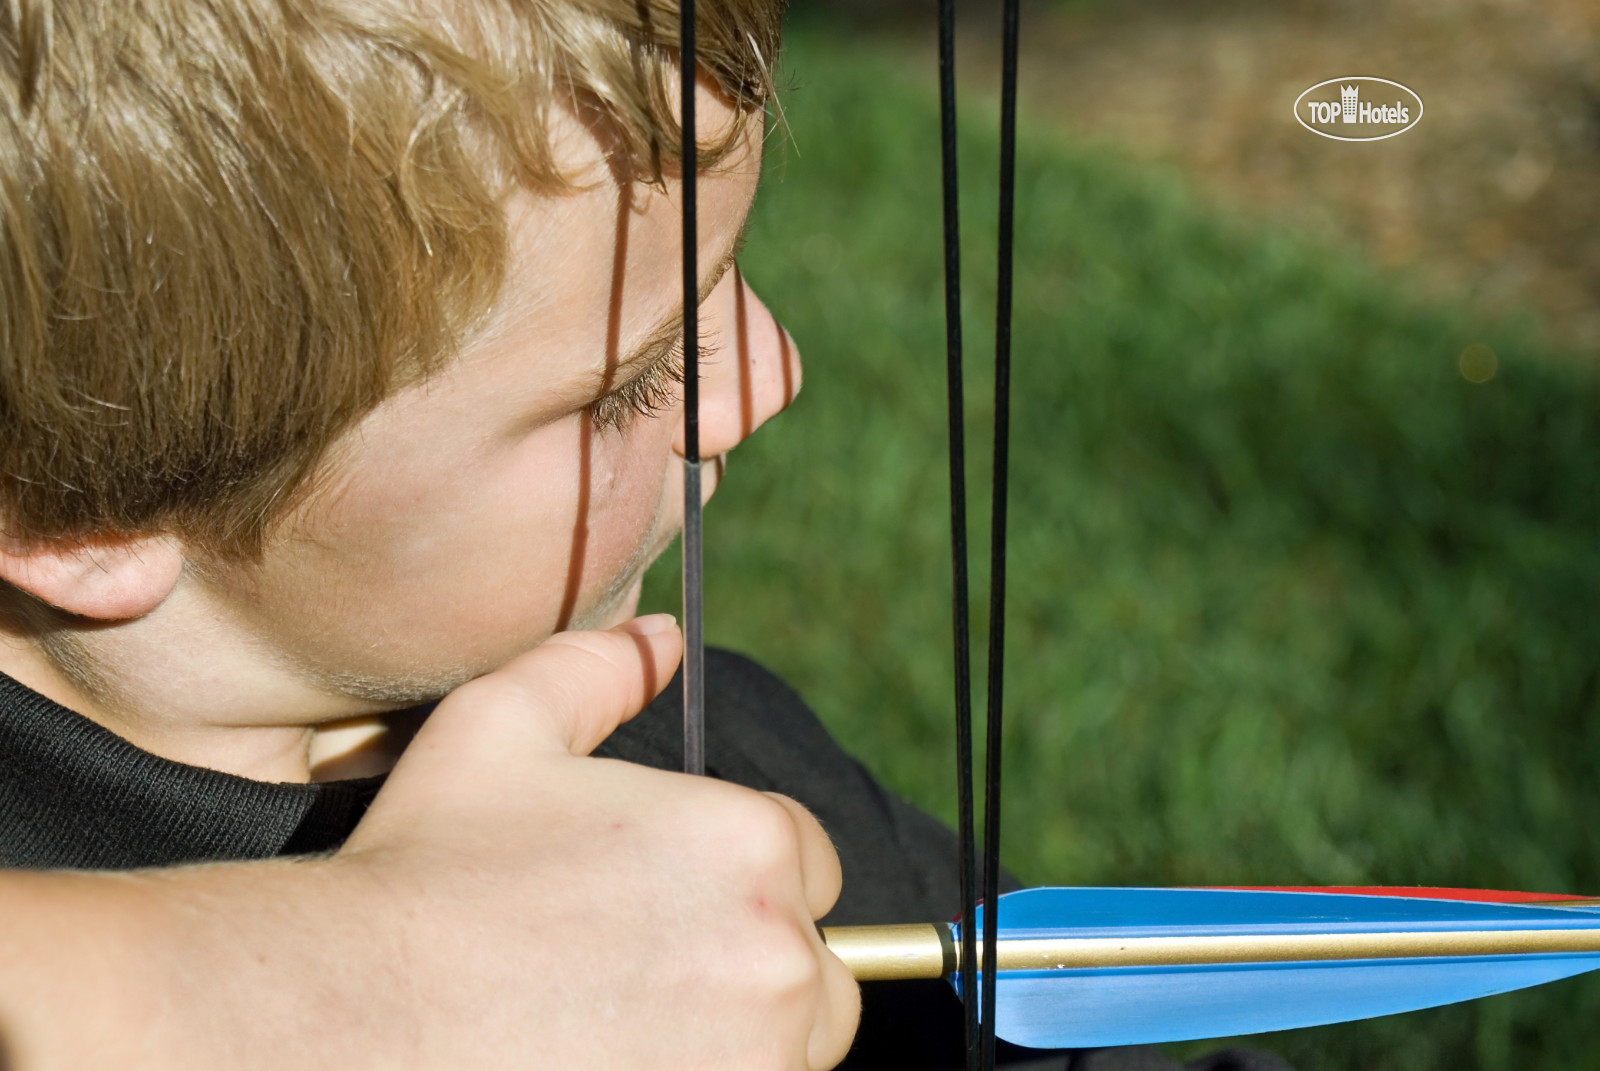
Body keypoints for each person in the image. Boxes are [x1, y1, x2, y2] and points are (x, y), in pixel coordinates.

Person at [0, 2, 1292, 1068]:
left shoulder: (714, 770)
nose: (769, 378)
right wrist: (325, 984)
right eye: (629, 383)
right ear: (72, 509)